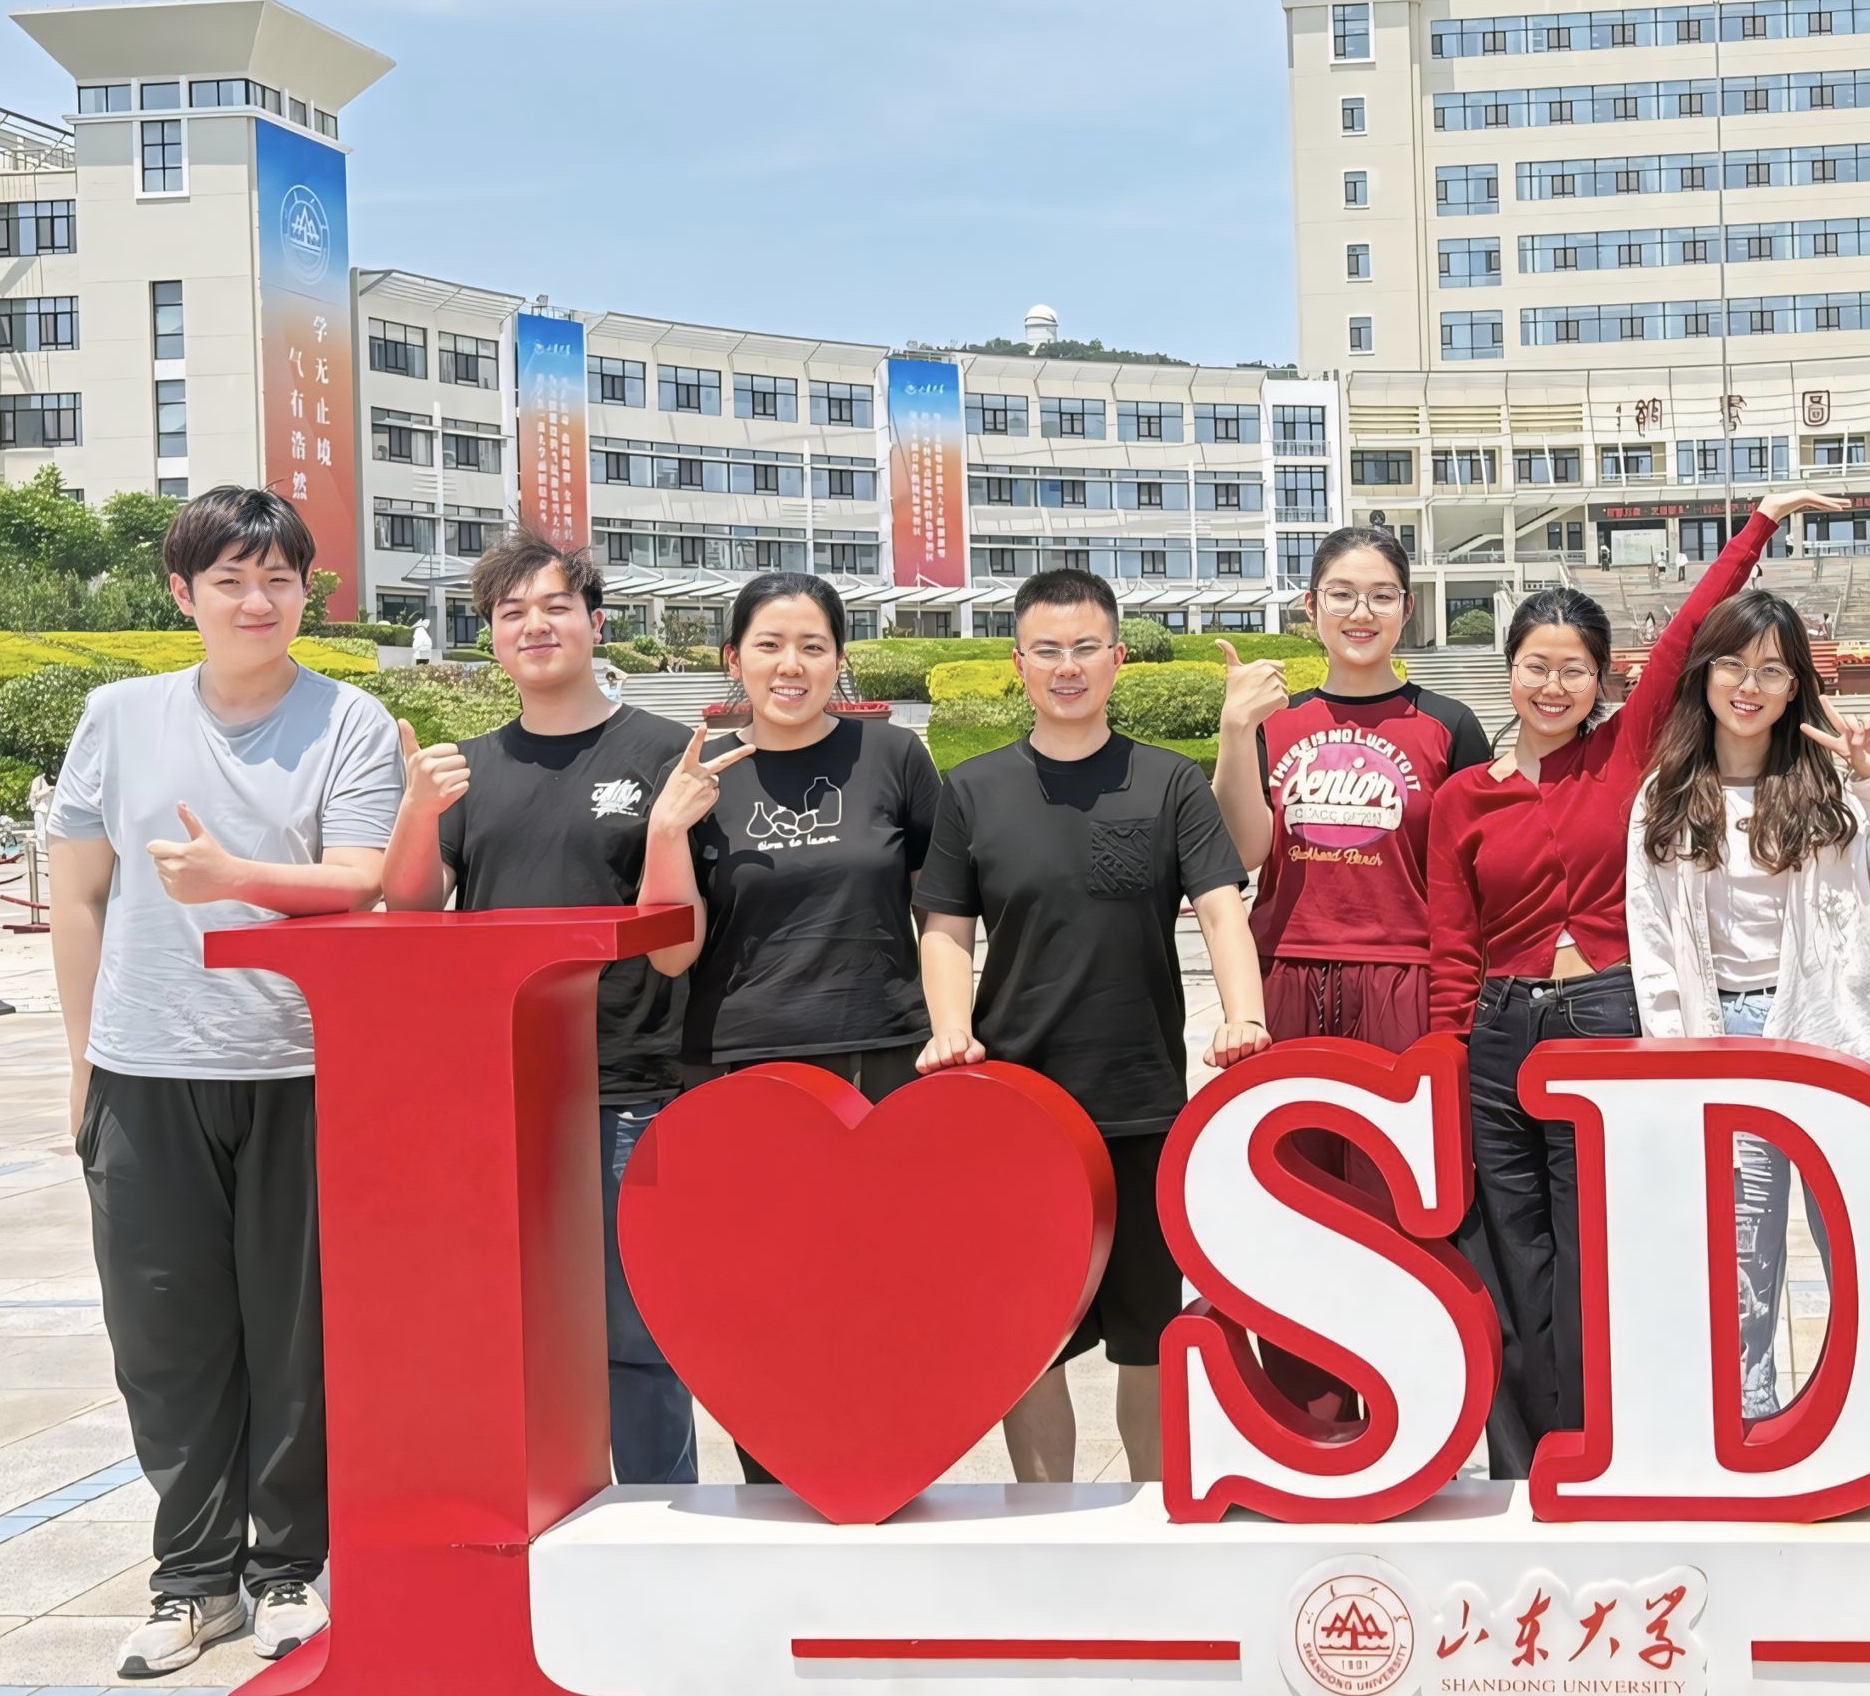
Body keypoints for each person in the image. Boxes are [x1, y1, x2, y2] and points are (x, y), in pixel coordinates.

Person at [45, 488, 403, 1676]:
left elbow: (359, 880)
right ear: (182, 593)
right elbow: (79, 894)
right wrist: (82, 1062)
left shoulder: (349, 718)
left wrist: (230, 876)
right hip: (143, 1070)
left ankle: (288, 1567)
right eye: (231, 581)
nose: (258, 602)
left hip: (299, 1065)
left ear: (307, 591)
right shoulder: (118, 716)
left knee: (296, 1337)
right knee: (164, 1336)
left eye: (280, 580)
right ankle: (194, 1580)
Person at [1426, 488, 1848, 1477]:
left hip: (1604, 1019)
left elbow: (1688, 636)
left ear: (1602, 678)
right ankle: (1526, 1460)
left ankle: (1605, 1444)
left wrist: (1757, 524)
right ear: (1507, 671)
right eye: (1536, 666)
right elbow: (1450, 950)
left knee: (1597, 1245)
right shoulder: (1462, 799)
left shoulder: (1622, 755)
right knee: (1511, 1250)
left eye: (1573, 668)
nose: (1553, 686)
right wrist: (1443, 1066)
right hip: (1498, 1032)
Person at [915, 568, 1271, 1483]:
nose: (1066, 667)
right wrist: (950, 1028)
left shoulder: (1168, 782)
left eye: (1084, 649)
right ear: (1018, 663)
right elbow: (946, 927)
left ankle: (1152, 1521)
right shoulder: (973, 790)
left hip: (1141, 1103)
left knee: (1148, 1340)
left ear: (1116, 659)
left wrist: (1244, 1015)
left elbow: (1221, 908)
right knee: (1029, 1342)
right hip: (1017, 1111)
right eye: (1047, 650)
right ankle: (1043, 1521)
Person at [377, 532, 710, 1486]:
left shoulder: (663, 754)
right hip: (500, 1095)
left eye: (555, 606)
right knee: (509, 1324)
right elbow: (411, 911)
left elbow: (680, 940)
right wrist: (414, 810)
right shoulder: (470, 769)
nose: (535, 625)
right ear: (490, 636)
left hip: (629, 1087)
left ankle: (653, 1524)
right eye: (511, 612)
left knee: (636, 1337)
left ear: (595, 623)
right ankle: (538, 1519)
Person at [635, 570, 944, 1485]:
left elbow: (942, 911)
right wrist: (665, 831)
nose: (791, 665)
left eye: (812, 646)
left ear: (839, 660)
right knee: (761, 1303)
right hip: (740, 1069)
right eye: (769, 645)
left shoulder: (893, 757)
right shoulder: (699, 777)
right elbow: (672, 956)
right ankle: (781, 1489)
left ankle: (880, 1478)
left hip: (878, 1055)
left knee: (883, 1290)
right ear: (733, 659)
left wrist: (951, 1029)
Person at [1622, 590, 1870, 1421]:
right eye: (1732, 665)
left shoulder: (1830, 788)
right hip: (1720, 1040)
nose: (1748, 686)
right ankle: (1751, 1422)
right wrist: (1676, 1061)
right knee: (1739, 1263)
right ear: (1703, 675)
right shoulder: (1665, 794)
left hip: (1830, 1034)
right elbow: (1652, 946)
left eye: (1771, 670)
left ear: (1795, 684)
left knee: (1855, 1245)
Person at [1211, 528, 1491, 1422]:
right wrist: (1234, 730)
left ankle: (1409, 1412)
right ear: (1311, 607)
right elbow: (1245, 851)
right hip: (1289, 977)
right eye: (1340, 593)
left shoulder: (1447, 725)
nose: (1359, 611)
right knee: (1291, 1202)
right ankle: (1315, 1427)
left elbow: (1474, 873)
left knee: (1398, 1207)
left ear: (1406, 608)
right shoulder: (1275, 722)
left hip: (1403, 981)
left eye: (1379, 594)